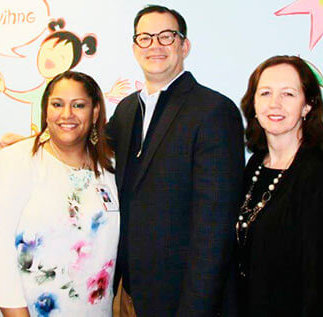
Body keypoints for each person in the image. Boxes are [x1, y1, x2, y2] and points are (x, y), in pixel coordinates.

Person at [106, 5, 244, 316]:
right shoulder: (127, 110)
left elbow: (215, 230)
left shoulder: (213, 110)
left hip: (183, 298)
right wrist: (31, 143)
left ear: (184, 45)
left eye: (166, 36)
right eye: (145, 37)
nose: (155, 45)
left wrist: (194, 308)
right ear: (134, 47)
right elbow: (86, 148)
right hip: (127, 293)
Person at [0, 71, 118, 316]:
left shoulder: (109, 168)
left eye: (79, 105)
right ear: (45, 110)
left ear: (95, 113)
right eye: (57, 104)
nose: (67, 114)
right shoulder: (15, 160)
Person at [237, 55, 323, 316]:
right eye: (265, 93)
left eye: (288, 94)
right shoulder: (255, 165)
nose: (274, 104)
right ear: (253, 104)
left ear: (307, 105)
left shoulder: (321, 179)